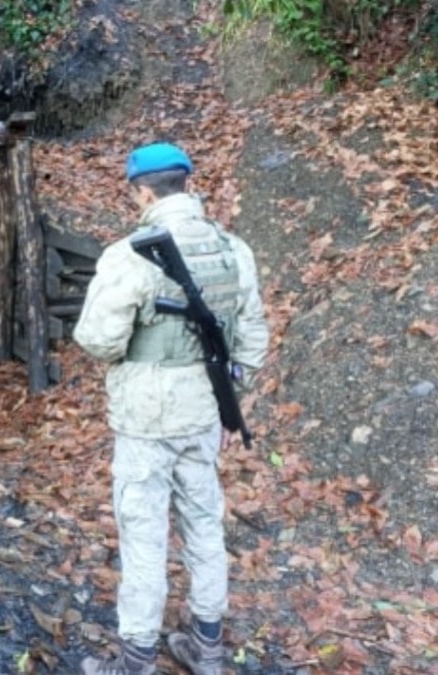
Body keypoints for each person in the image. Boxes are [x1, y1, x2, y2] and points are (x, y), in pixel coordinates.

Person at [73, 142, 269, 675]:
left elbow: (99, 339)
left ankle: (136, 659)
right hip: (205, 410)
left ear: (142, 192)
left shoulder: (130, 254)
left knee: (143, 533)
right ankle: (207, 648)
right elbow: (251, 337)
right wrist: (229, 396)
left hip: (145, 417)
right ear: (186, 183)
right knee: (204, 524)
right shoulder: (233, 249)